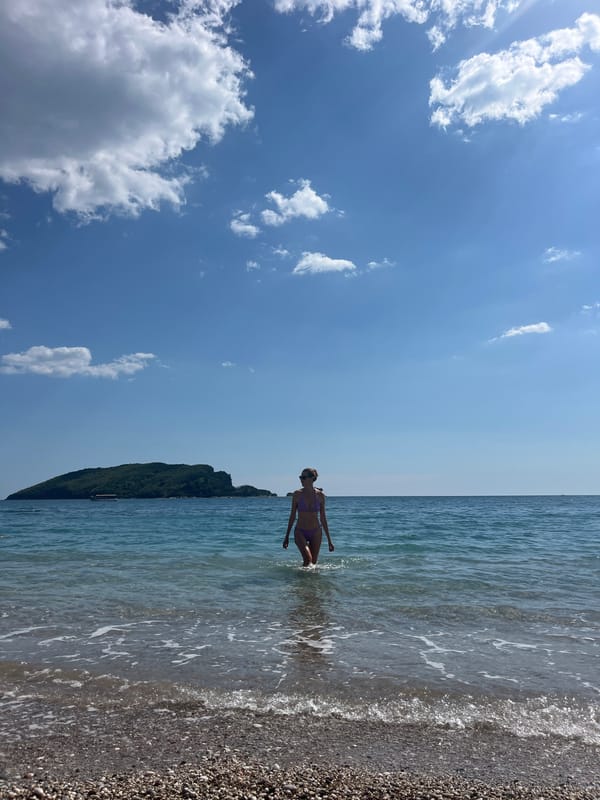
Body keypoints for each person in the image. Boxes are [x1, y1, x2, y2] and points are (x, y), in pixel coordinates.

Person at [283, 468, 334, 566]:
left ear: (312, 478)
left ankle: (309, 581)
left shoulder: (320, 496)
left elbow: (323, 518)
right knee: (307, 559)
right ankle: (299, 581)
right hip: (300, 531)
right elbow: (292, 516)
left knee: (313, 564)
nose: (301, 479)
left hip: (316, 532)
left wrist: (329, 541)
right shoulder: (297, 494)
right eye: (300, 477)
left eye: (304, 477)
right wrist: (286, 537)